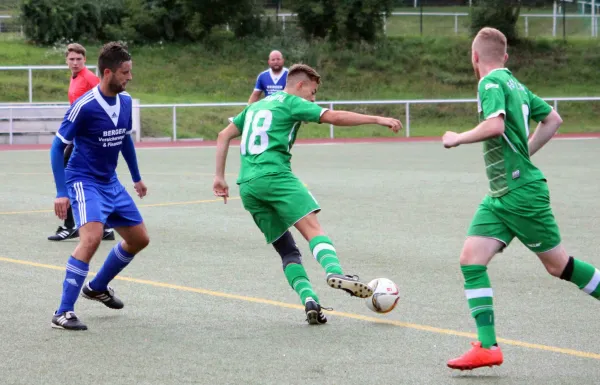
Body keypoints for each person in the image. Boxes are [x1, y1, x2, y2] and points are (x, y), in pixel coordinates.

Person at [442, 27, 600, 370]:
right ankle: (488, 347)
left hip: (520, 194)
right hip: (501, 195)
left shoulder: (490, 83)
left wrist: (458, 137)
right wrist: (526, 152)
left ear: (474, 57)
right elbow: (553, 119)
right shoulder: (516, 84)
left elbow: (495, 126)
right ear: (506, 57)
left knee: (558, 265)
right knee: (471, 260)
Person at [213, 63, 402, 325]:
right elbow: (333, 117)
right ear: (300, 85)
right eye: (312, 93)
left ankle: (309, 300)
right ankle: (336, 273)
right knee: (312, 228)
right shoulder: (291, 102)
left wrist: (219, 177)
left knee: (288, 251)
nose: (314, 100)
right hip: (275, 176)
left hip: (247, 186)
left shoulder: (255, 106)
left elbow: (223, 135)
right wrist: (377, 119)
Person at [50, 42, 149, 331]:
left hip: (111, 182)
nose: (129, 77)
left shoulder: (127, 101)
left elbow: (125, 139)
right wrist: (61, 192)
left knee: (139, 239)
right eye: (125, 72)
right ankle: (63, 311)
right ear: (108, 73)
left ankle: (97, 287)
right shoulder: (85, 106)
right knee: (92, 238)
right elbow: (57, 148)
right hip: (83, 180)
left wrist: (136, 177)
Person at [48, 43, 114, 242]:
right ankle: (106, 227)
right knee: (94, 180)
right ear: (66, 61)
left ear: (85, 60)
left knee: (68, 175)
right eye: (71, 59)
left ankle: (70, 225)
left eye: (79, 59)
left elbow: (104, 102)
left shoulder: (90, 79)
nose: (75, 62)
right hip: (79, 138)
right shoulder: (75, 77)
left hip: (87, 141)